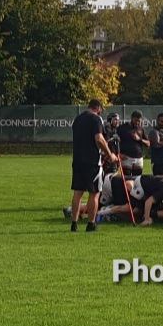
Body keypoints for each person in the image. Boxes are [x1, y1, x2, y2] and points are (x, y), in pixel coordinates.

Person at [70, 99, 115, 232]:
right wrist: (110, 154)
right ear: (98, 107)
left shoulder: (77, 119)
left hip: (77, 159)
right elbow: (99, 139)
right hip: (92, 161)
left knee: (77, 192)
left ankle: (74, 222)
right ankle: (91, 223)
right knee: (94, 193)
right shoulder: (96, 119)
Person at [116, 110, 149, 177]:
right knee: (126, 180)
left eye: (139, 121)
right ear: (131, 118)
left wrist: (139, 139)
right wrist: (118, 154)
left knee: (137, 180)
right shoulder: (122, 128)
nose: (137, 122)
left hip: (138, 158)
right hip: (126, 157)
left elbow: (148, 143)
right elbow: (115, 141)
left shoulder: (141, 129)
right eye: (135, 120)